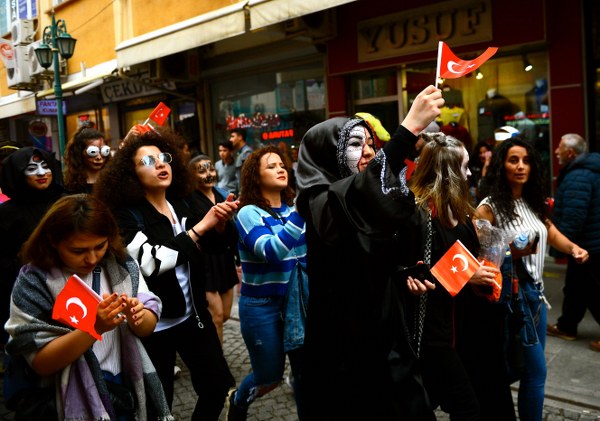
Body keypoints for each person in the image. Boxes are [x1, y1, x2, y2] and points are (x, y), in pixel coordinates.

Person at [295, 86, 444, 420]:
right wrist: (406, 131)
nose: (367, 153)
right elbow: (349, 207)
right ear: (325, 153)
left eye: (371, 145)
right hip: (345, 355)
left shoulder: (365, 199)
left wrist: (406, 273)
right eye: (354, 145)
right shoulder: (319, 202)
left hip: (387, 343)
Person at [94, 127, 237, 420]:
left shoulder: (183, 201)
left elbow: (214, 245)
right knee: (159, 407)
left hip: (193, 316)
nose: (160, 164)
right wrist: (200, 229)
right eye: (148, 161)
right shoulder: (125, 215)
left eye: (163, 158)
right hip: (152, 326)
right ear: (130, 175)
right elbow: (149, 263)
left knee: (218, 386)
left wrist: (220, 224)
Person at [4, 194, 172, 420]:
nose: (92, 258)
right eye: (78, 251)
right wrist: (94, 328)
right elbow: (40, 362)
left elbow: (147, 323)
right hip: (65, 397)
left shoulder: (120, 265)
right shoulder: (34, 280)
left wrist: (138, 315)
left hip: (122, 387)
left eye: (99, 246)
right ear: (53, 241)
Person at [475, 136, 589, 421]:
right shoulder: (489, 207)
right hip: (515, 298)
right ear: (501, 165)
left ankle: (489, 389)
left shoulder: (532, 202)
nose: (521, 166)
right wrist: (512, 251)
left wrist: (573, 248)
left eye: (526, 161)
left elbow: (550, 232)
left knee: (525, 369)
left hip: (536, 297)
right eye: (513, 160)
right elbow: (480, 258)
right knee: (536, 371)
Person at [409, 132, 515, 421]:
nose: (469, 172)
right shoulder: (419, 215)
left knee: (460, 404)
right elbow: (415, 276)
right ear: (447, 172)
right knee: (465, 407)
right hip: (435, 334)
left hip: (465, 328)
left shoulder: (460, 210)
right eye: (464, 166)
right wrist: (469, 277)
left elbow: (463, 260)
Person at [226, 146, 308, 421]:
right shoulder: (248, 213)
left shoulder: (295, 209)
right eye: (271, 166)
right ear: (255, 176)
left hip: (299, 304)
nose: (281, 169)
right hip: (262, 307)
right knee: (269, 377)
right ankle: (238, 401)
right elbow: (272, 252)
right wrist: (302, 212)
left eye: (282, 165)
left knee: (305, 374)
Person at [0, 147, 64, 357]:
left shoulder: (66, 202)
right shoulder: (7, 214)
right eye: (31, 168)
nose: (41, 173)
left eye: (45, 166)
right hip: (26, 292)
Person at [546, 134, 600, 351]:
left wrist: (563, 245)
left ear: (570, 153)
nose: (556, 152)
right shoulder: (589, 171)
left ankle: (567, 325)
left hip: (588, 245)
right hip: (591, 242)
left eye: (559, 148)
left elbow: (574, 216)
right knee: (576, 289)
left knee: (593, 291)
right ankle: (567, 326)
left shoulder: (579, 176)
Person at [188, 154, 239, 344]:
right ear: (192, 176)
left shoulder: (222, 194)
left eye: (210, 169)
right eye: (202, 171)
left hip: (224, 259)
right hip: (204, 262)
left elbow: (232, 232)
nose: (208, 174)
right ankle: (218, 363)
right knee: (216, 316)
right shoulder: (189, 201)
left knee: (225, 314)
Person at [64, 126, 111, 194]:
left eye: (103, 151)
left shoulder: (114, 183)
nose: (99, 157)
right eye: (93, 152)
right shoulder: (70, 188)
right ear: (79, 152)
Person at [230, 128, 253, 194]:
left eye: (233, 136)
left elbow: (248, 176)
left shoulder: (247, 152)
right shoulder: (240, 153)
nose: (230, 139)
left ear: (240, 137)